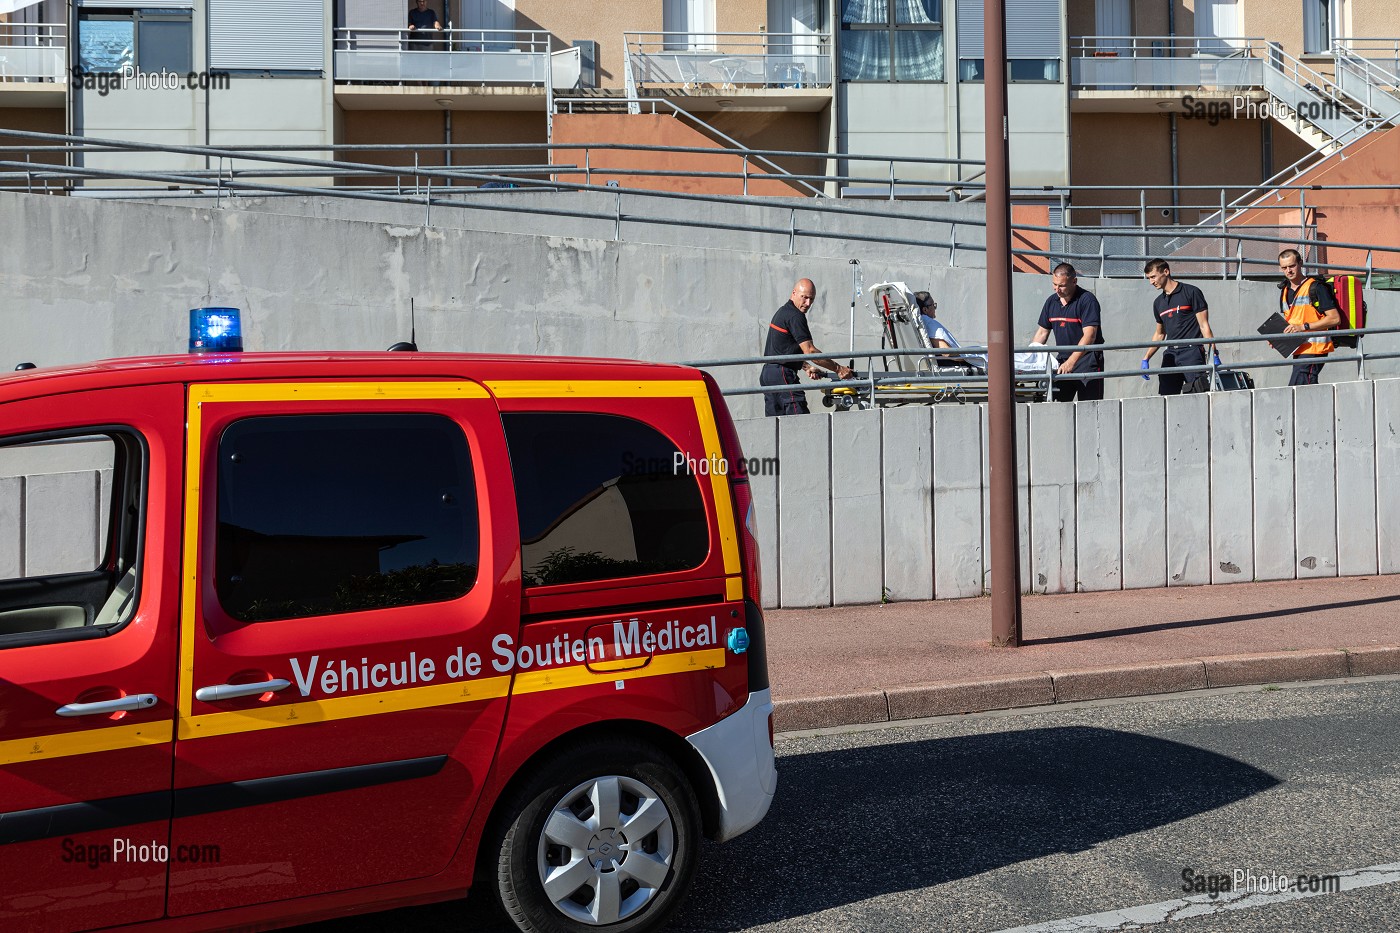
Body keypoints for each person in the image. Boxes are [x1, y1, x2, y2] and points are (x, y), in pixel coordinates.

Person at [761, 278, 855, 417]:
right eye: (804, 298)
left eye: (811, 299)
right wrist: (839, 369)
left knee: (776, 425)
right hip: (782, 374)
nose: (808, 303)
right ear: (794, 293)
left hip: (768, 374)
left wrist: (806, 367)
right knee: (800, 422)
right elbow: (810, 350)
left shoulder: (783, 311)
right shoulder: (795, 316)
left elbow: (783, 349)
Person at [1140, 258, 1216, 395]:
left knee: (1197, 396)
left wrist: (1214, 353)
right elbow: (1160, 334)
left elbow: (1204, 326)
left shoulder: (1191, 292)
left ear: (1166, 271)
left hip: (1192, 352)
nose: (1151, 282)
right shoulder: (1158, 303)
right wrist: (1146, 358)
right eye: (1148, 279)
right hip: (1171, 354)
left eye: (1153, 277)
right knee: (1166, 398)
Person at [1031, 262, 1105, 402]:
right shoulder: (1051, 302)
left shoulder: (1087, 300)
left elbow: (1090, 335)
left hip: (1087, 362)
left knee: (1090, 407)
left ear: (1074, 281)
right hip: (1062, 362)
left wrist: (1072, 362)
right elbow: (1042, 333)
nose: (1057, 289)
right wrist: (1030, 360)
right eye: (1054, 284)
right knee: (1058, 404)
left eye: (1061, 286)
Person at [1278, 248, 1340, 386]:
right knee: (1302, 389)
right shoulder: (1285, 290)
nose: (1289, 270)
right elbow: (1292, 320)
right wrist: (1278, 337)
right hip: (1299, 348)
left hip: (1314, 347)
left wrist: (1303, 327)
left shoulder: (1316, 287)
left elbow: (1334, 319)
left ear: (1300, 264)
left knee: (1299, 388)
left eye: (1292, 266)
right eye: (1284, 267)